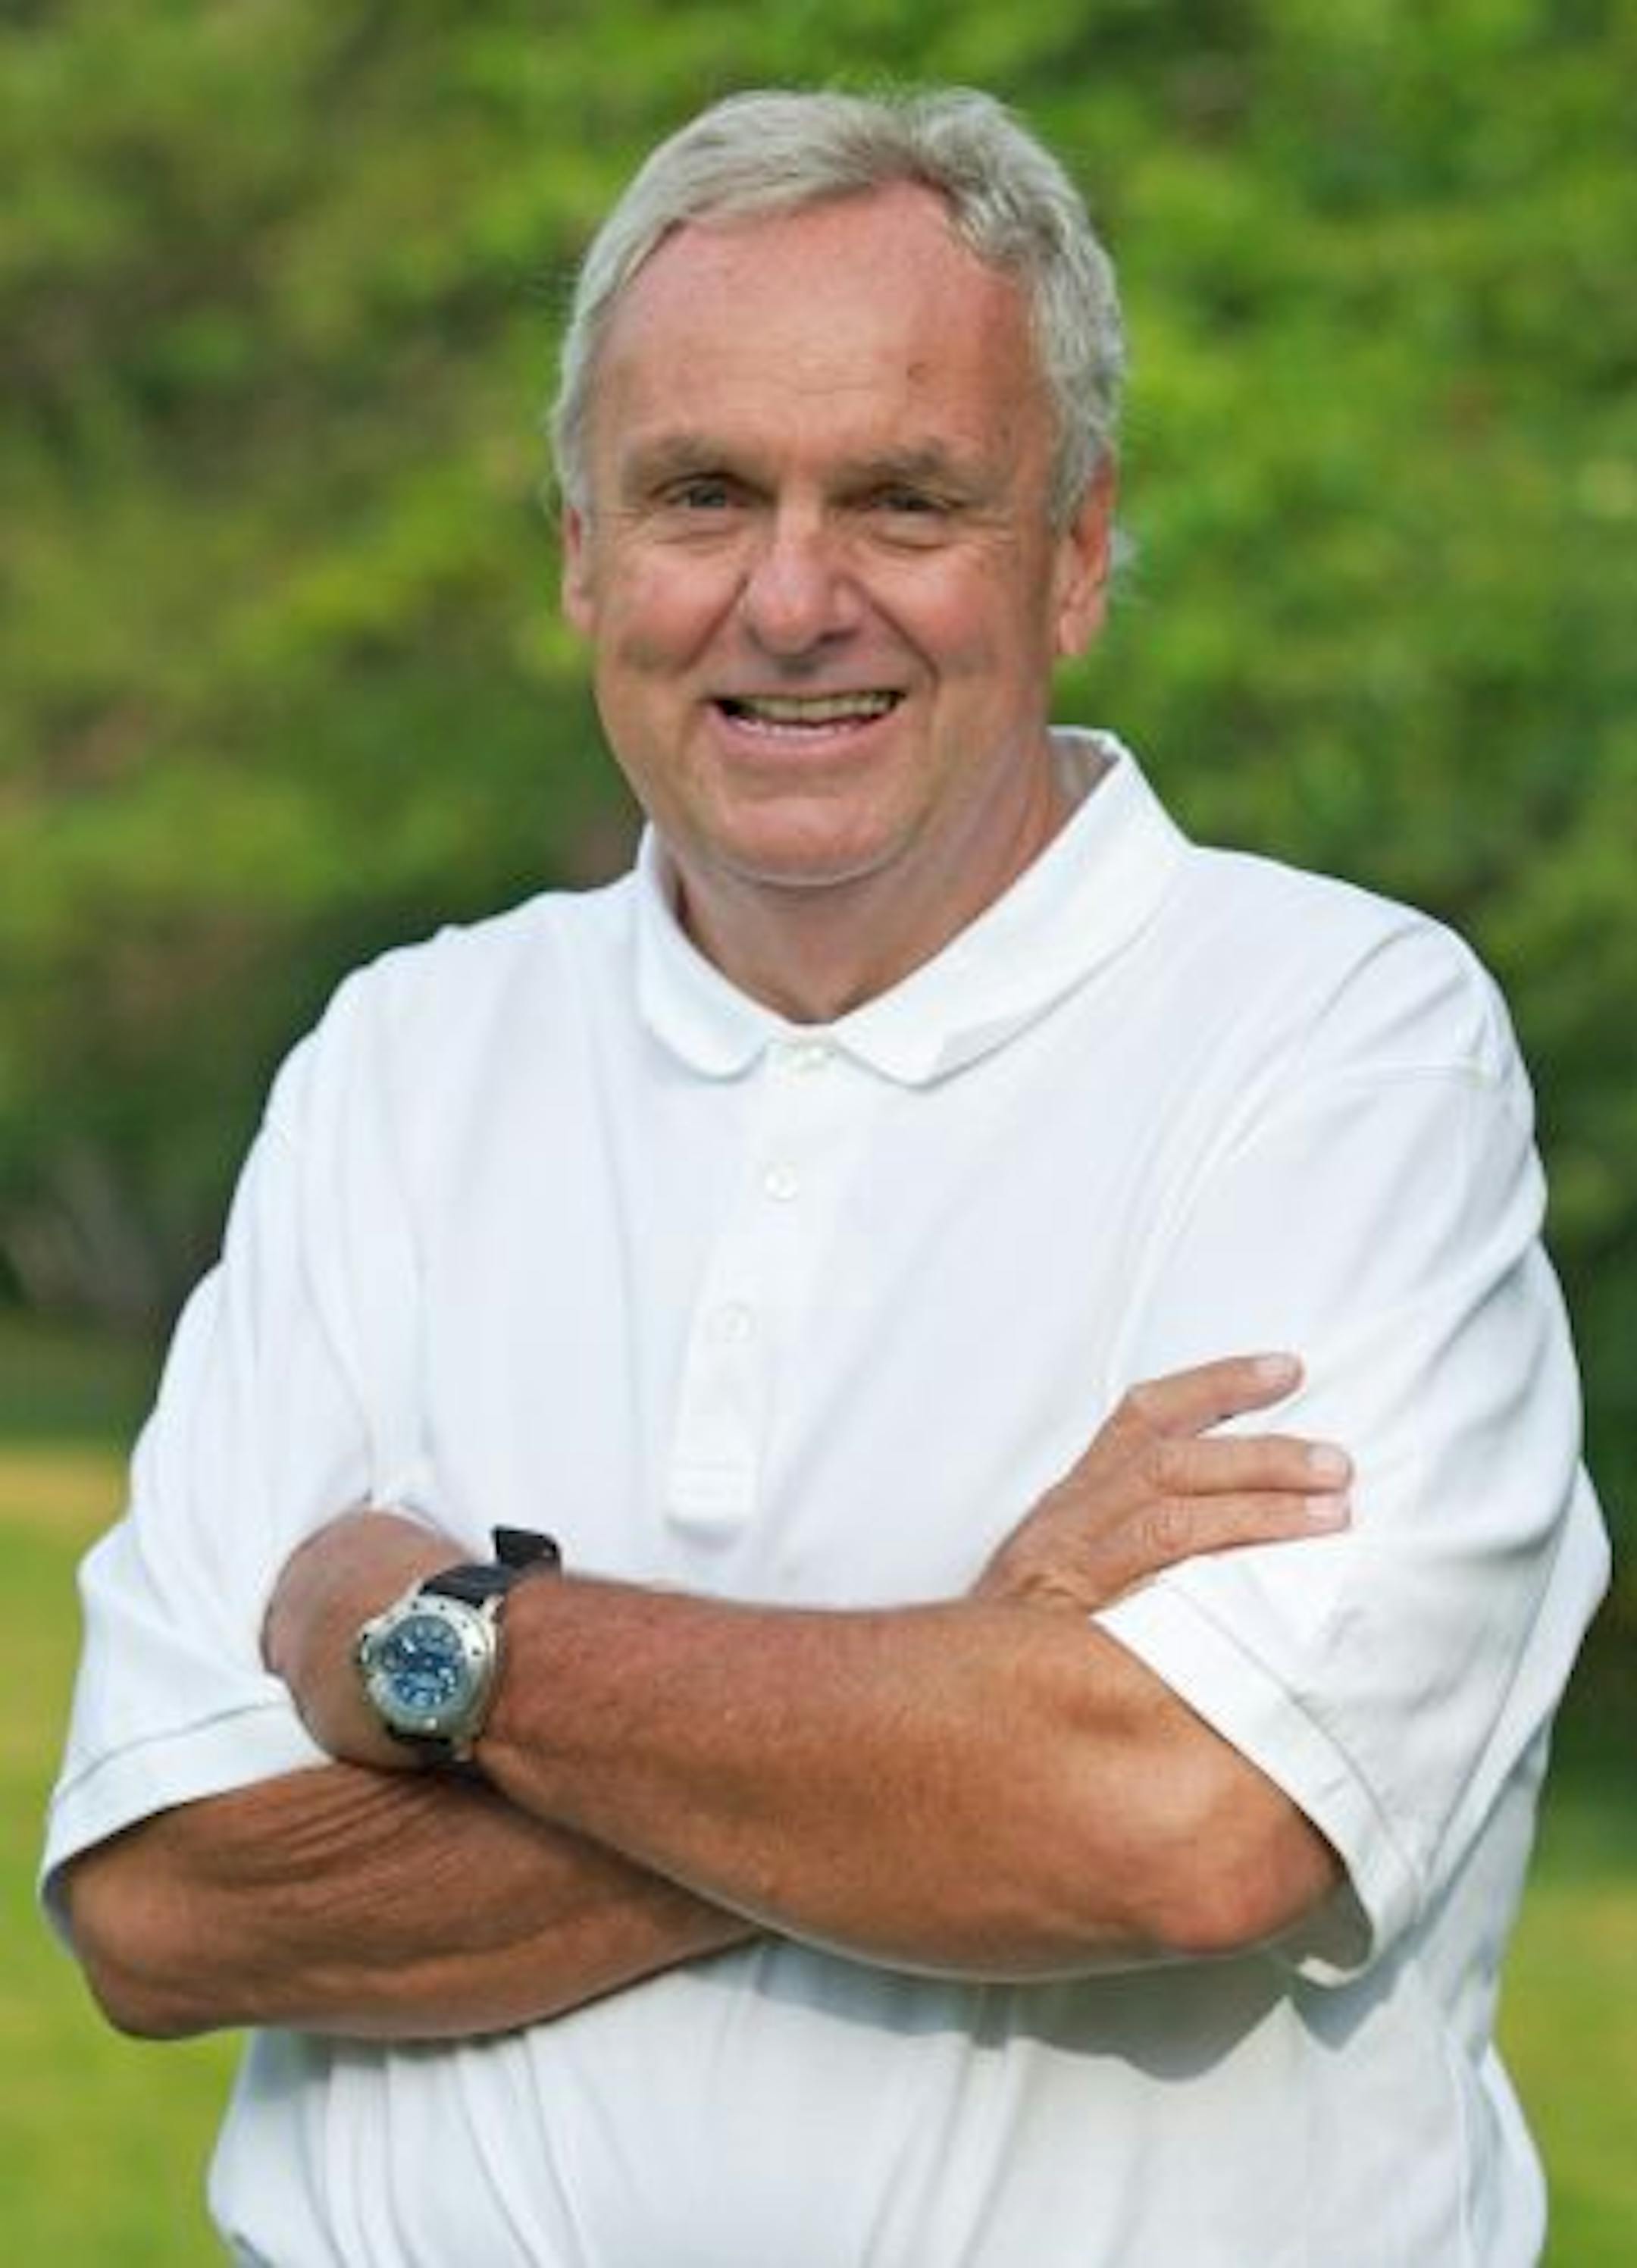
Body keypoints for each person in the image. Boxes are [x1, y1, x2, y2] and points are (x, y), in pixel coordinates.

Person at [45, 86, 1605, 2267]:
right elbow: (165, 1907)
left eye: (903, 498)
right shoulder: (406, 1057)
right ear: (583, 551)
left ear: (1075, 551)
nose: (792, 598)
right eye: (701, 494)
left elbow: (1183, 1823)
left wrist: (451, 1646)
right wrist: (967, 1685)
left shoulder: (1339, 1037)